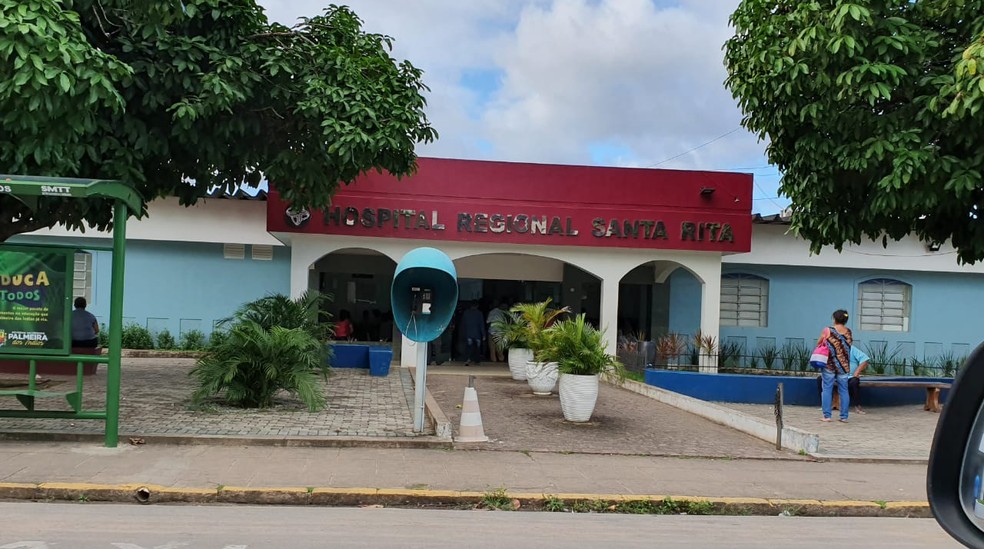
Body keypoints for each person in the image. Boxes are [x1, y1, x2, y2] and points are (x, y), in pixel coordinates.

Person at [817, 309, 852, 423]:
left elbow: (819, 342)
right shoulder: (849, 332)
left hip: (829, 364)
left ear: (834, 319)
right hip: (843, 365)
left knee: (827, 389)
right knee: (844, 390)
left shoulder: (828, 330)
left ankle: (827, 416)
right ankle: (844, 417)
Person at [816, 345, 870, 414]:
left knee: (854, 381)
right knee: (820, 379)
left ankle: (857, 406)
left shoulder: (851, 349)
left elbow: (865, 360)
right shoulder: (831, 349)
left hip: (849, 376)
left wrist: (856, 373)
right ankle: (826, 405)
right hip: (834, 375)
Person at [460, 301, 486, 365]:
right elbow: (481, 324)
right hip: (477, 333)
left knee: (469, 346)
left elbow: (463, 324)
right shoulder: (479, 313)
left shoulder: (466, 312)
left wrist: (462, 333)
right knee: (477, 347)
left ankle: (468, 359)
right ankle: (477, 360)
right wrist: (483, 334)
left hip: (468, 333)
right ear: (477, 306)